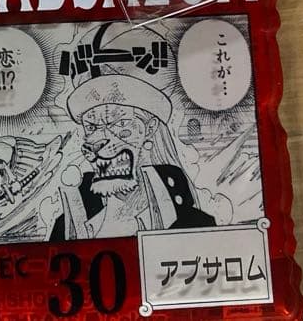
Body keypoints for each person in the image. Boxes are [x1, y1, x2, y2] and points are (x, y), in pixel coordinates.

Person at [50, 69, 214, 241]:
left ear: (150, 128)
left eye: (120, 123)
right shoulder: (68, 226)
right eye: (91, 127)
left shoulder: (195, 224)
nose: (96, 140)